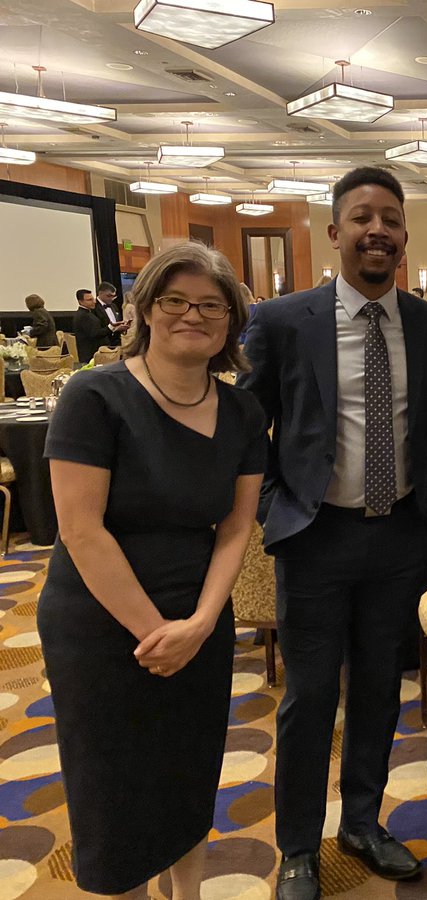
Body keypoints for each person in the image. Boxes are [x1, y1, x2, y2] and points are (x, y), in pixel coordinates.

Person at [240, 167, 427, 899]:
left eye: (390, 219)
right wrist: (278, 507)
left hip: (398, 537)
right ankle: (298, 846)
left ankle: (362, 822)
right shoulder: (281, 322)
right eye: (361, 217)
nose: (377, 230)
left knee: (376, 689)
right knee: (308, 698)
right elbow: (248, 429)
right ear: (333, 232)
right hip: (315, 538)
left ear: (404, 236)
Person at [37, 242, 265, 896]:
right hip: (99, 626)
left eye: (210, 305)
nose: (192, 315)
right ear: (144, 308)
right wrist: (154, 632)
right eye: (175, 300)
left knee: (188, 772)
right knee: (113, 786)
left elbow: (235, 528)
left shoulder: (244, 411)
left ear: (230, 321)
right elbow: (81, 530)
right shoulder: (94, 395)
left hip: (198, 618)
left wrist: (198, 624)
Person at [73, 288, 109, 365]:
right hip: (89, 355)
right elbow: (95, 334)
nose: (94, 302)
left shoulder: (88, 313)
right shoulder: (83, 315)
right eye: (89, 300)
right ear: (80, 302)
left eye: (93, 299)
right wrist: (111, 328)